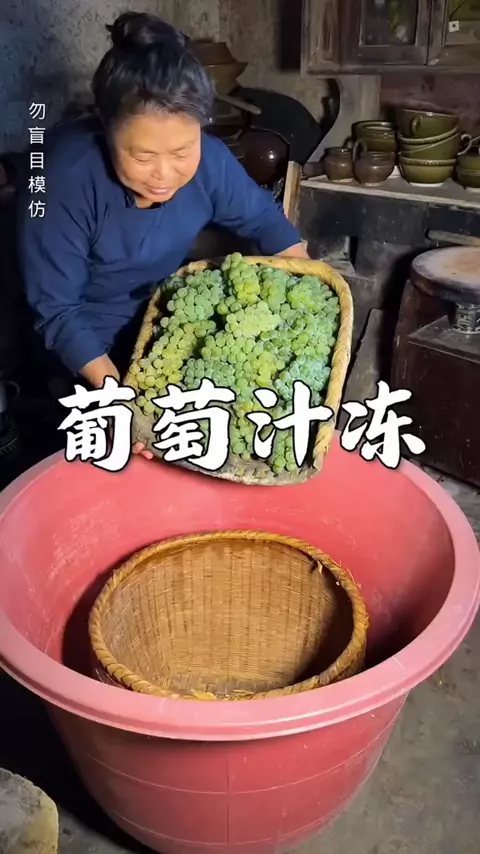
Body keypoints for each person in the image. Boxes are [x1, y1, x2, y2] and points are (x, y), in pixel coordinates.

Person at [17, 11, 307, 457]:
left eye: (182, 151)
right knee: (108, 457)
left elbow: (266, 223)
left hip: (158, 320)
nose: (164, 174)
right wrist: (118, 402)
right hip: (80, 345)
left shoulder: (210, 160)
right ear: (106, 128)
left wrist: (306, 287)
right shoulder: (62, 178)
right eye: (143, 156)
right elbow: (57, 311)